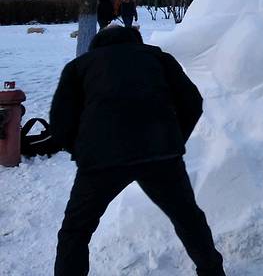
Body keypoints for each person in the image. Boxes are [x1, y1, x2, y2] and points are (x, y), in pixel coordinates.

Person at [50, 26, 226, 276]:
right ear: (136, 42)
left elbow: (60, 123)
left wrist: (83, 150)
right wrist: (172, 140)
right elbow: (192, 102)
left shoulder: (79, 67)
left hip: (100, 160)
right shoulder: (159, 58)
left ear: (97, 47)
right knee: (188, 218)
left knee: (75, 231)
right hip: (160, 154)